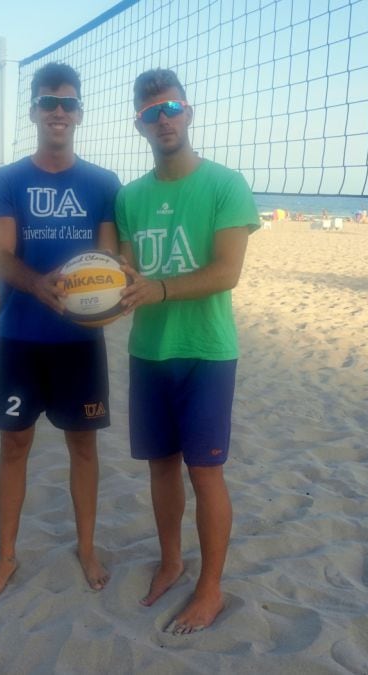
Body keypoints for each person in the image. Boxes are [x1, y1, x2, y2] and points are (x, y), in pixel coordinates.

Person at [116, 69, 260, 634]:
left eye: (171, 108)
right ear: (140, 124)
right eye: (152, 113)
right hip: (148, 350)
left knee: (206, 473)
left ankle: (211, 587)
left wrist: (160, 288)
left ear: (188, 112)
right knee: (161, 469)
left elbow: (228, 272)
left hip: (206, 351)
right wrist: (98, 295)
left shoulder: (226, 184)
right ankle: (172, 561)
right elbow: (126, 275)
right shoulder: (131, 196)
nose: (164, 119)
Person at [0, 62, 120, 600]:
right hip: (20, 337)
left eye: (69, 103)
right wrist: (40, 286)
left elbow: (106, 259)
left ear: (80, 114)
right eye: (48, 102)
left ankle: (86, 547)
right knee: (15, 446)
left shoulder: (103, 183)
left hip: (80, 342)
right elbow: (1, 259)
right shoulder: (7, 180)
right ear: (34, 111)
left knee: (83, 448)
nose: (59, 111)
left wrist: (114, 291)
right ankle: (7, 556)